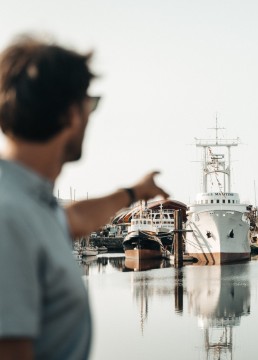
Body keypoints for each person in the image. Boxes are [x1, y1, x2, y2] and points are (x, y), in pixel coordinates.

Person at [0, 36, 169, 359]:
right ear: (72, 115)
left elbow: (76, 219)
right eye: (89, 105)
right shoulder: (10, 217)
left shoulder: (28, 201)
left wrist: (134, 192)